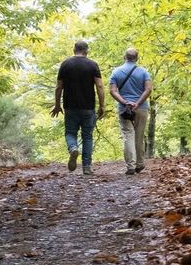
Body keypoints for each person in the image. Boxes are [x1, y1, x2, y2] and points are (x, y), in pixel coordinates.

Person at [52, 40, 105, 174]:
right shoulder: (93, 65)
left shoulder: (65, 64)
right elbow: (99, 86)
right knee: (87, 137)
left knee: (70, 133)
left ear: (74, 49)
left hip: (70, 106)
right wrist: (102, 105)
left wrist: (57, 105)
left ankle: (73, 148)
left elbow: (59, 87)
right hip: (88, 107)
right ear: (87, 51)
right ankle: (86, 167)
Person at [108, 47, 154, 174]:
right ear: (137, 58)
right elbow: (148, 89)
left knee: (128, 135)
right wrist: (138, 103)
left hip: (124, 109)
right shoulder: (144, 72)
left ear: (124, 57)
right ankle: (140, 163)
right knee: (139, 135)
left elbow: (112, 91)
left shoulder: (116, 72)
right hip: (141, 108)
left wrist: (124, 102)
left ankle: (131, 166)